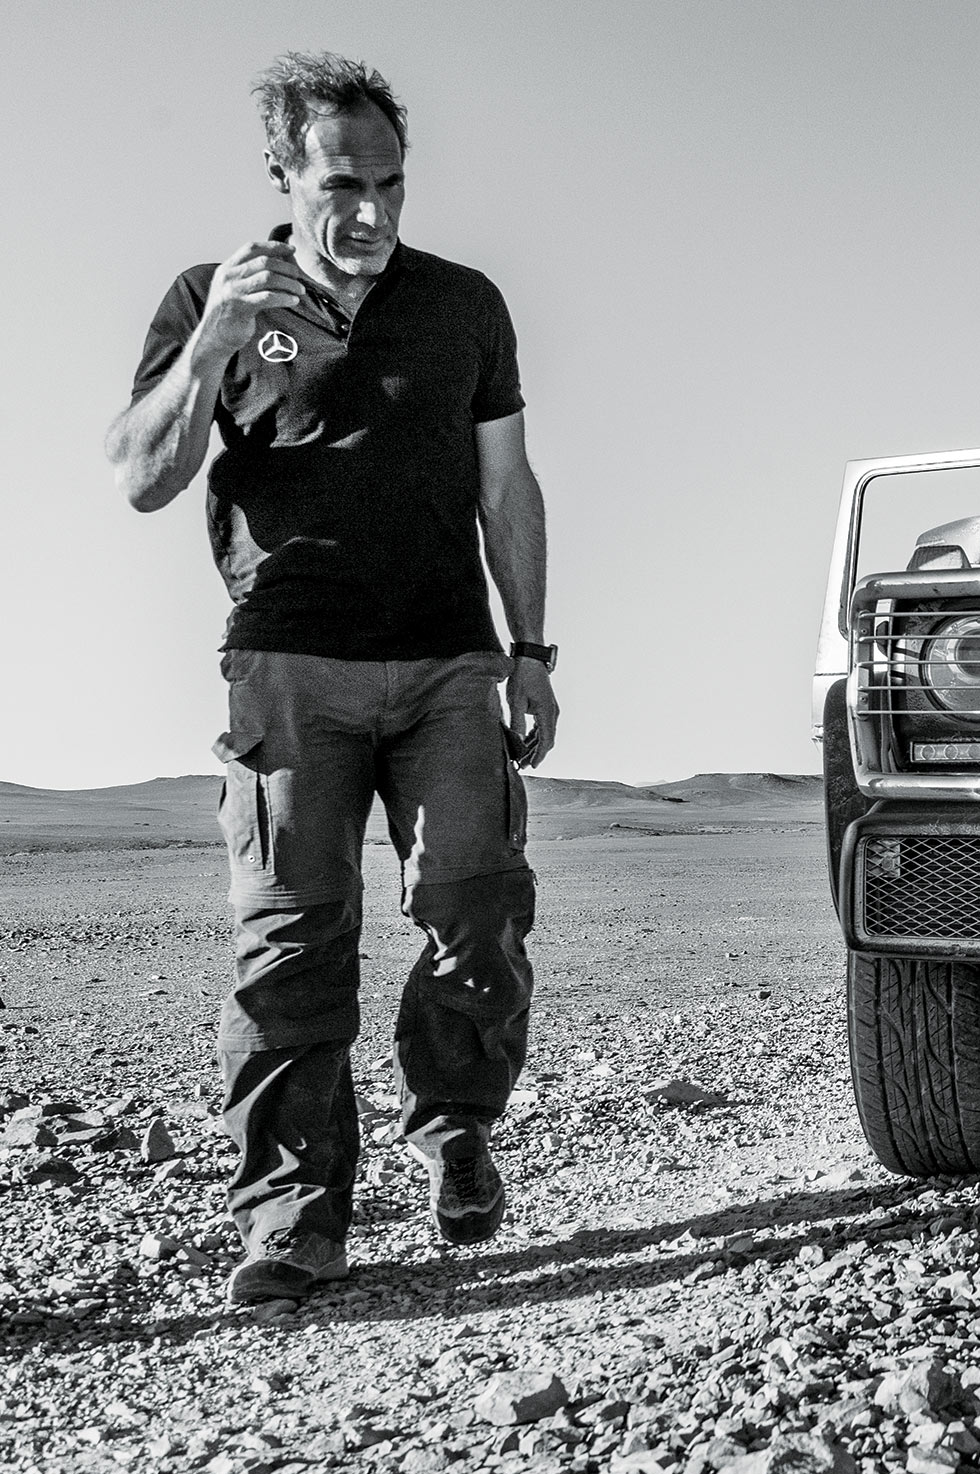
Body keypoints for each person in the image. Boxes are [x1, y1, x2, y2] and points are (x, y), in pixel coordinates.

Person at [104, 52, 558, 1305]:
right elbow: (142, 473)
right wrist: (208, 345)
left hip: (450, 660)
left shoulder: (464, 303)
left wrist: (531, 649)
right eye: (342, 184)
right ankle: (296, 1220)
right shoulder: (212, 297)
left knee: (478, 902)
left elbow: (506, 487)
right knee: (292, 944)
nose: (370, 212)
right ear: (285, 177)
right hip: (289, 670)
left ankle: (456, 1118)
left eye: (392, 185)